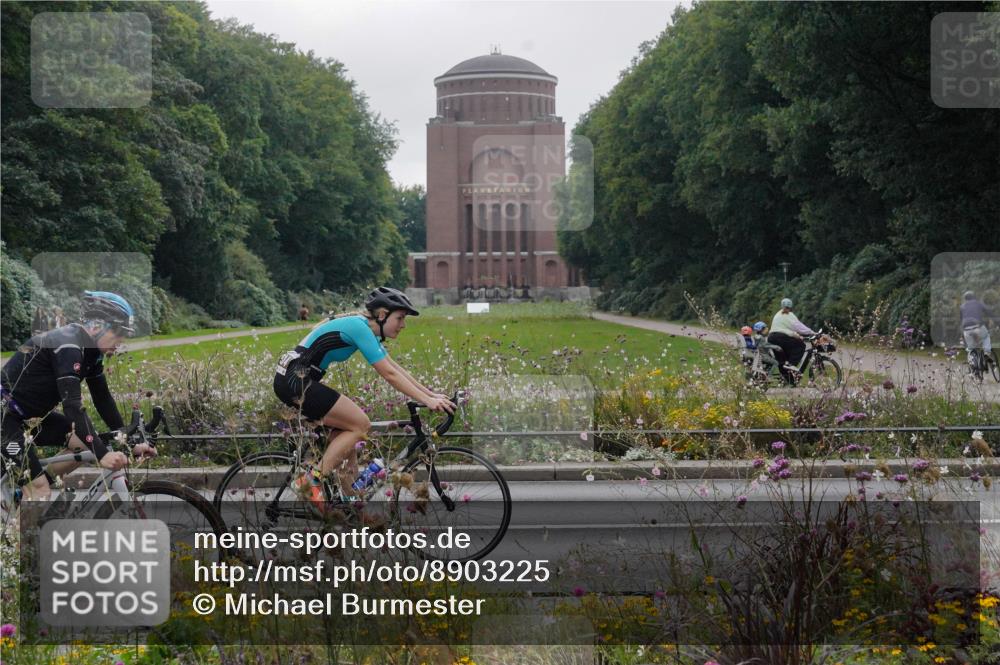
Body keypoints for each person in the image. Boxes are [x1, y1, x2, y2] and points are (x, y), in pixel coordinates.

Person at [273, 286, 455, 510]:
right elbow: (388, 374)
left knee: (348, 453)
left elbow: (394, 368)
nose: (403, 324)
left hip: (297, 379)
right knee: (360, 425)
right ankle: (310, 481)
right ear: (382, 315)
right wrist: (428, 401)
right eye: (399, 318)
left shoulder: (365, 328)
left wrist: (430, 395)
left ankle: (351, 514)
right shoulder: (358, 327)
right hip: (296, 381)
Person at [1, 291, 155, 501]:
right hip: (5, 418)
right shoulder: (69, 346)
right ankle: (30, 500)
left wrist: (128, 443)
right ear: (98, 326)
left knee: (83, 443)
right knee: (39, 489)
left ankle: (23, 495)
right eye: (118, 334)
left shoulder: (91, 352)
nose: (120, 341)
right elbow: (72, 406)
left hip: (24, 416)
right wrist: (102, 455)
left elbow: (103, 400)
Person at [767, 298, 817, 377]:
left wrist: (797, 335)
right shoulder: (789, 315)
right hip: (780, 337)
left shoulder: (778, 314)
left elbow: (789, 329)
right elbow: (799, 327)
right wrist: (812, 332)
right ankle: (791, 365)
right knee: (800, 346)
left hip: (772, 338)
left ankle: (789, 380)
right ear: (791, 307)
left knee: (782, 360)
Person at [960, 291, 997, 371]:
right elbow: (990, 313)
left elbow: (961, 320)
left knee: (970, 348)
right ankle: (986, 353)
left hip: (966, 330)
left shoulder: (962, 307)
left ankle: (972, 366)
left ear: (965, 299)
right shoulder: (979, 304)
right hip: (978, 327)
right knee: (986, 337)